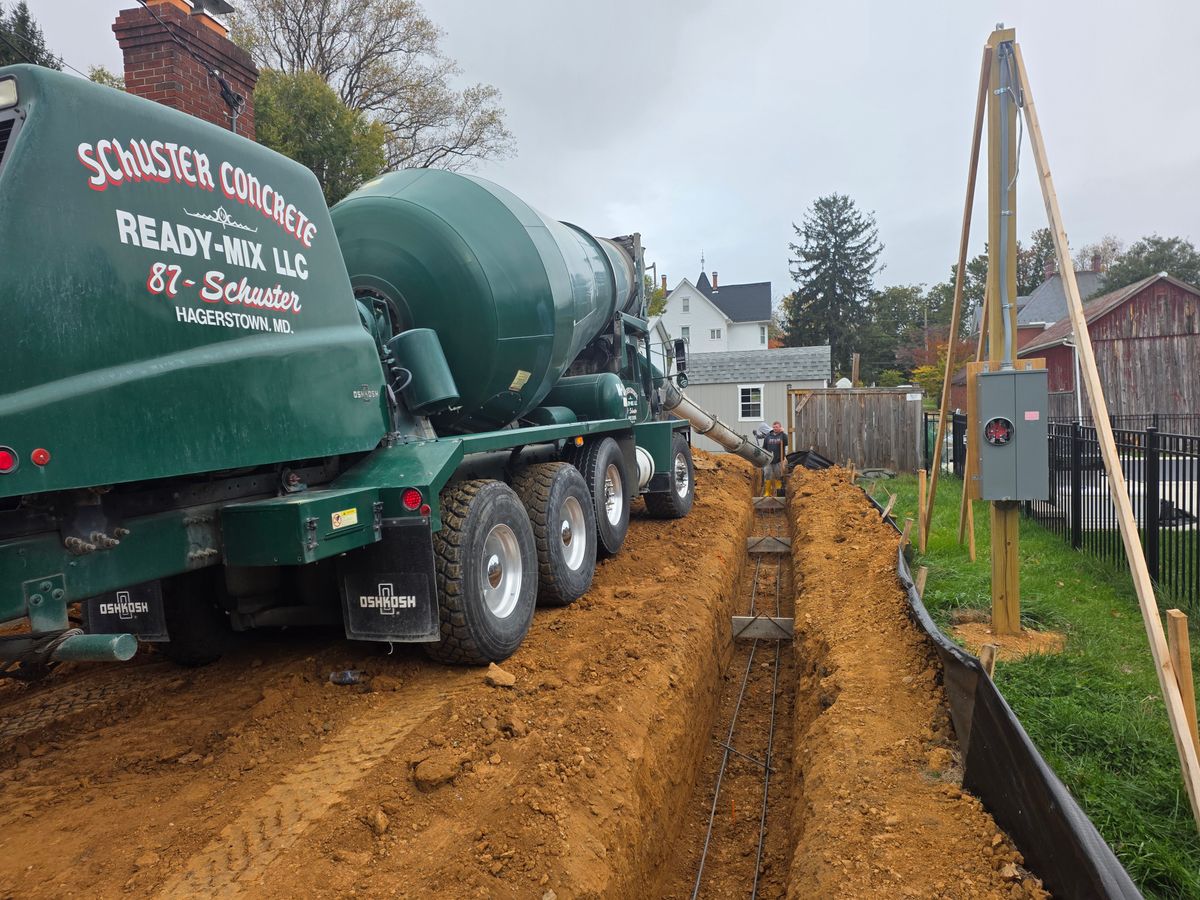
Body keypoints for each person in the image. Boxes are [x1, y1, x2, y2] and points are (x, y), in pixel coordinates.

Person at [761, 421, 787, 497]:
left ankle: (778, 492)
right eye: (774, 427)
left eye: (777, 427)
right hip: (768, 460)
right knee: (767, 474)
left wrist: (783, 433)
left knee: (778, 475)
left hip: (778, 460)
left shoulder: (782, 435)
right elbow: (764, 447)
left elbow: (786, 442)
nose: (775, 428)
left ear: (780, 427)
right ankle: (767, 492)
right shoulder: (768, 436)